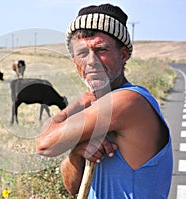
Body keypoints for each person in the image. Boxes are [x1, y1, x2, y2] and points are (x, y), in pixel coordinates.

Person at [36, 3, 173, 198]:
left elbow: (44, 144)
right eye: (82, 53)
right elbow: (72, 187)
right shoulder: (97, 106)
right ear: (75, 60)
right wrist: (77, 153)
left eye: (101, 50)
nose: (91, 61)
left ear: (123, 54)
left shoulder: (129, 101)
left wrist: (77, 104)